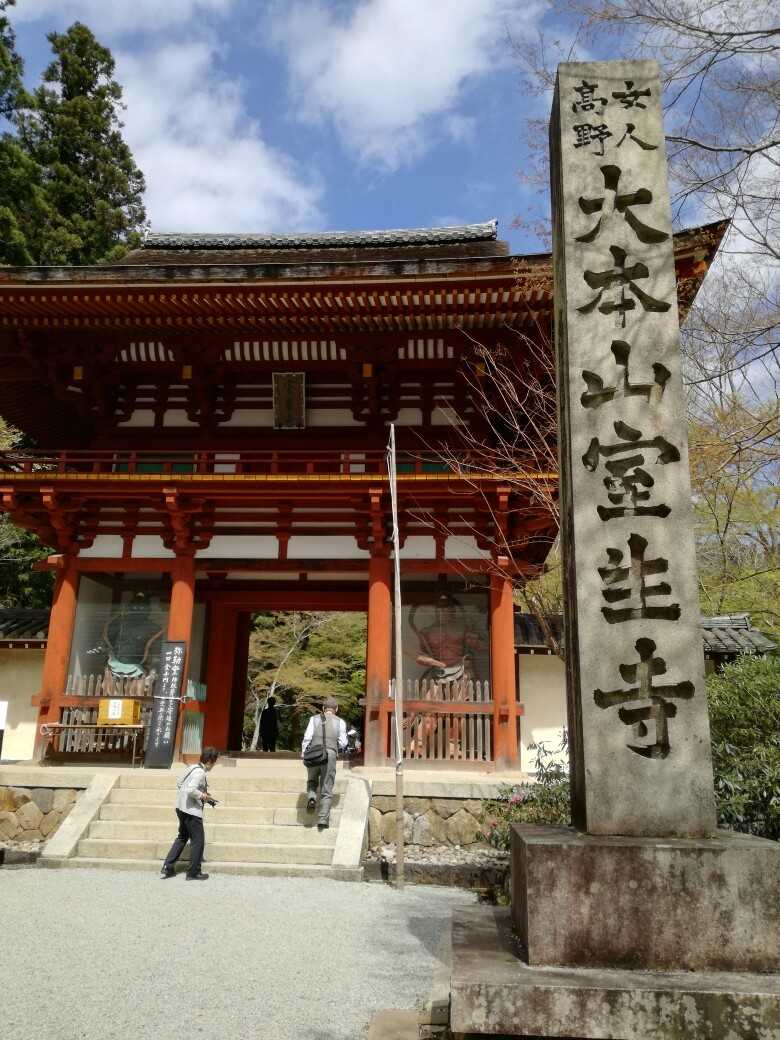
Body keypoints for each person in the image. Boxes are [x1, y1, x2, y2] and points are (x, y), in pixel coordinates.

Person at [159, 746, 219, 881]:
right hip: (191, 811)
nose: (214, 765)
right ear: (210, 761)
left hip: (180, 807)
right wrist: (202, 795)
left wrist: (199, 794)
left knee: (182, 837)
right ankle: (193, 872)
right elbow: (191, 790)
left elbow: (180, 783)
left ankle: (168, 866)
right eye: (214, 762)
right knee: (198, 841)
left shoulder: (191, 767)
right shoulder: (200, 773)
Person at [301, 696, 347, 830]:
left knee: (312, 780)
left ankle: (311, 797)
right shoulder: (340, 722)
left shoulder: (313, 719)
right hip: (330, 755)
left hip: (314, 754)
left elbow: (307, 737)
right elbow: (343, 743)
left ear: (323, 708)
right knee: (327, 786)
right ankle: (323, 819)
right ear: (336, 709)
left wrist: (304, 753)